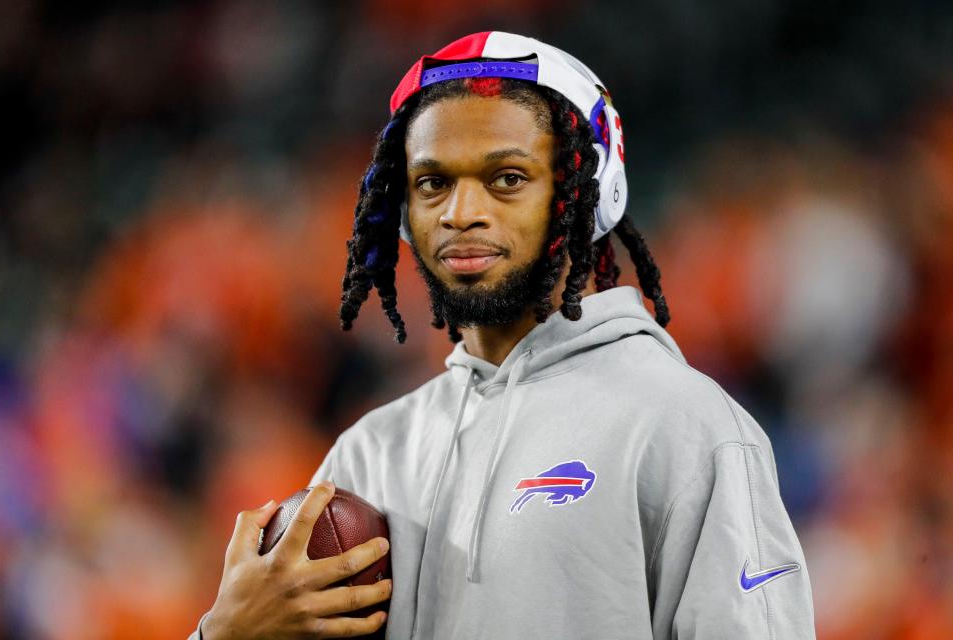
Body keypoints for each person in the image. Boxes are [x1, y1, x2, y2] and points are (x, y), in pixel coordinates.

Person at [192, 31, 815, 639]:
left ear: (583, 196)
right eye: (433, 183)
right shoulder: (372, 452)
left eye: (507, 179)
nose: (462, 212)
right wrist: (228, 632)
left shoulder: (686, 426)